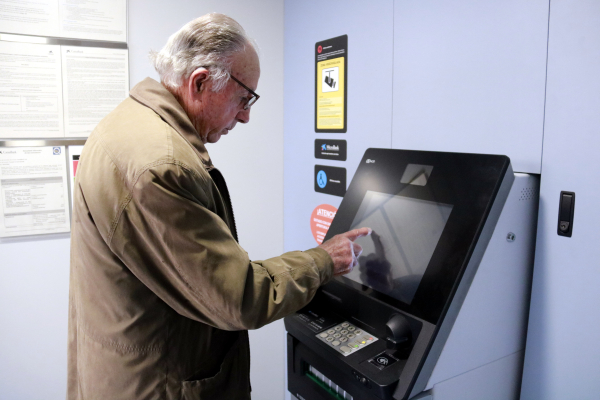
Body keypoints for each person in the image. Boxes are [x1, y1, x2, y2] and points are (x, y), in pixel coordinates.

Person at [67, 13, 370, 400]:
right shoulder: (161, 165)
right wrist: (324, 260)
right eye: (244, 99)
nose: (245, 116)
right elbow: (239, 297)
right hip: (156, 385)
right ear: (200, 83)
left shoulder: (125, 124)